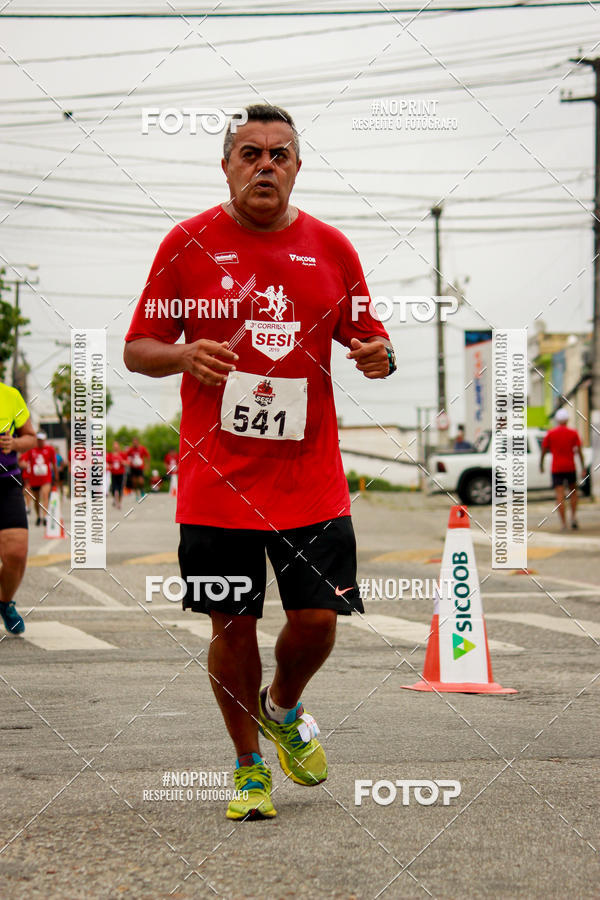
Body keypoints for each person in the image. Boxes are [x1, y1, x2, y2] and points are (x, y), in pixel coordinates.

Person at [124, 104, 395, 822]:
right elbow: (137, 348)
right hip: (216, 484)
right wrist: (182, 353)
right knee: (231, 626)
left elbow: (373, 340)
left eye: (279, 153)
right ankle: (247, 767)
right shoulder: (186, 245)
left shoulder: (332, 248)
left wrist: (379, 355)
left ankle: (283, 704)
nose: (265, 164)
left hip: (311, 480)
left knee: (318, 622)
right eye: (250, 152)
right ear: (226, 166)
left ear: (299, 167)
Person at [0, 382, 36, 635]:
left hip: (6, 483)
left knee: (16, 552)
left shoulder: (10, 395)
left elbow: (30, 437)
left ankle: (5, 602)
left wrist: (14, 443)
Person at [540, 408, 585, 531]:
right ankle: (573, 518)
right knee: (573, 493)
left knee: (560, 495)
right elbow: (580, 452)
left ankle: (564, 524)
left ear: (557, 420)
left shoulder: (551, 433)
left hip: (557, 468)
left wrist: (541, 464)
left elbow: (544, 450)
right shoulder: (573, 433)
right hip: (570, 467)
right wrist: (583, 467)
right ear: (567, 420)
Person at [21, 432, 58, 527]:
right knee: (36, 500)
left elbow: (54, 463)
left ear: (45, 440)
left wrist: (56, 475)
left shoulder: (50, 449)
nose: (40, 441)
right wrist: (25, 464)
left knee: (45, 495)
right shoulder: (31, 450)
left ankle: (45, 516)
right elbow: (23, 461)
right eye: (38, 439)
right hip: (34, 479)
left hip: (46, 478)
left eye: (42, 440)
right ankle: (38, 516)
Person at [107, 440, 127, 509]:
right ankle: (115, 500)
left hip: (121, 473)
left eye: (116, 446)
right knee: (114, 489)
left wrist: (123, 462)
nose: (115, 448)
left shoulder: (122, 454)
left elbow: (127, 462)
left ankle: (119, 503)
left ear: (118, 447)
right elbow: (108, 463)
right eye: (114, 446)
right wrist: (110, 466)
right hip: (113, 474)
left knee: (120, 489)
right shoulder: (110, 455)